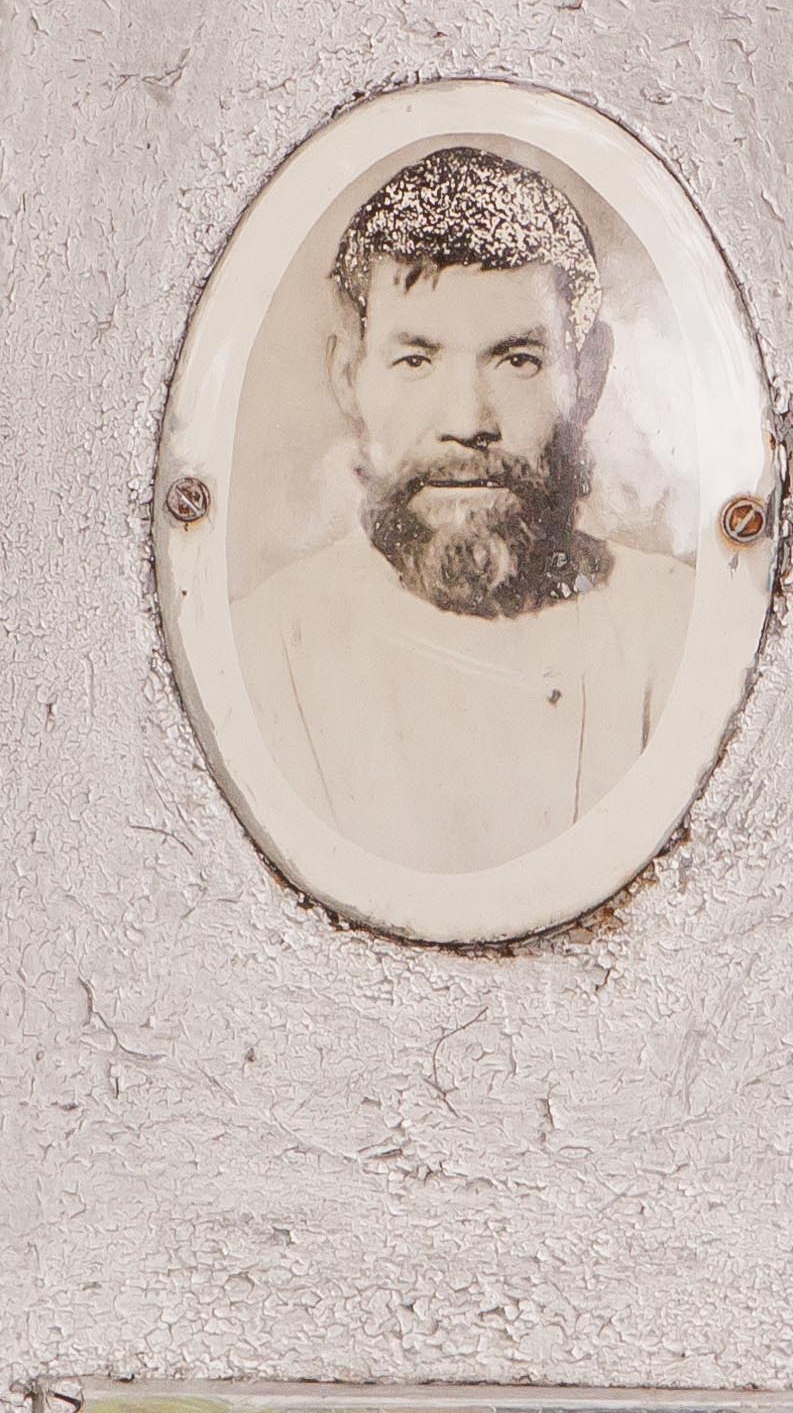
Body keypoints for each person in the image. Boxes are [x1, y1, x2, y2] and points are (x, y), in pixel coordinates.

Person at [236, 146, 694, 876]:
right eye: (415, 361)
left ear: (589, 375)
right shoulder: (262, 655)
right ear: (348, 376)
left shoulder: (678, 635)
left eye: (517, 360)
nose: (467, 421)